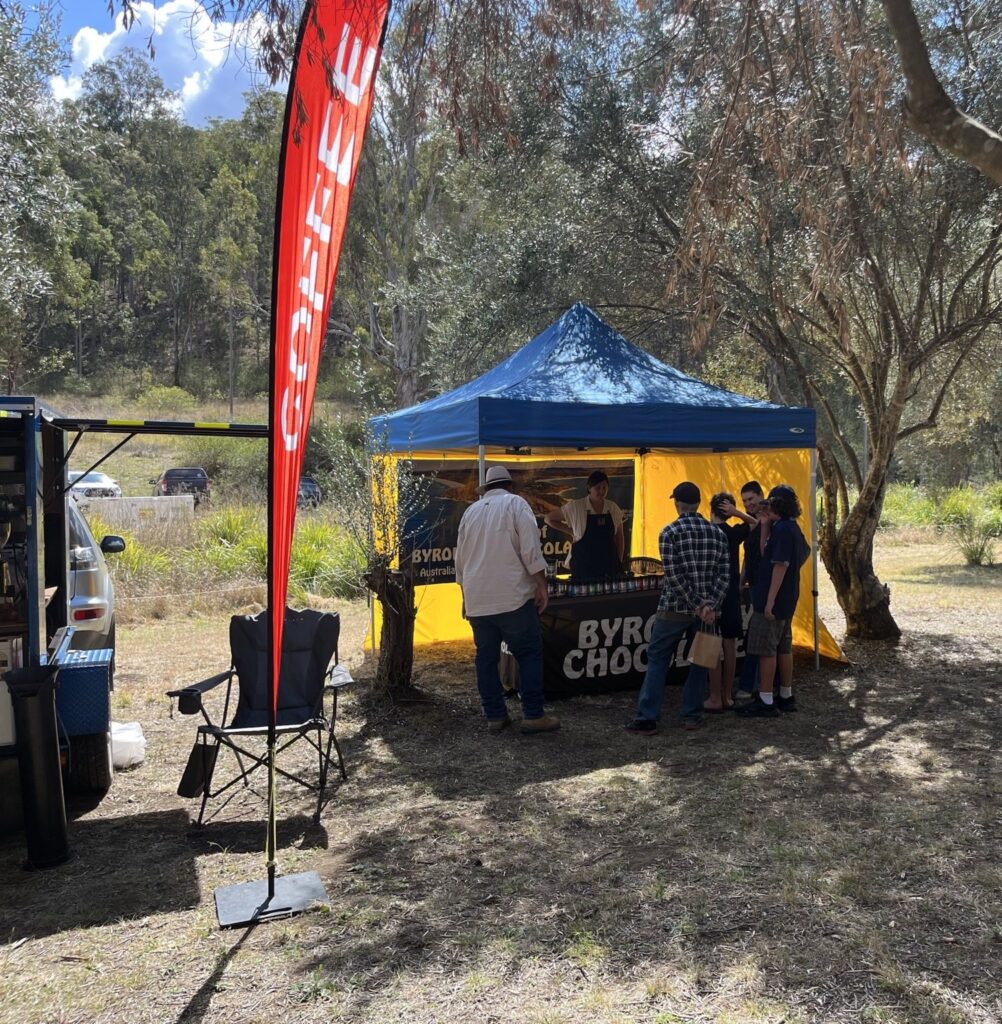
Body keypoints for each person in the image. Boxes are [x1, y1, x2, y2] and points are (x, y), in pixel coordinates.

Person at [455, 465, 561, 734]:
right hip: (512, 595)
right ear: (510, 486)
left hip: (478, 598)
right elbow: (530, 549)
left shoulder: (471, 512)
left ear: (487, 489)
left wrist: (465, 597)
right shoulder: (516, 504)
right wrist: (542, 584)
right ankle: (533, 715)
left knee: (486, 658)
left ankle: (495, 715)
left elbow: (461, 561)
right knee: (528, 654)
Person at [624, 482, 729, 735]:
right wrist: (708, 605)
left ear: (676, 503)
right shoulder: (718, 534)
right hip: (707, 613)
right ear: (699, 503)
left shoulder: (669, 532)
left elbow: (673, 576)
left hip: (673, 607)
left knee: (658, 658)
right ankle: (691, 715)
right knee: (700, 662)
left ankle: (648, 717)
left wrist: (695, 604)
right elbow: (725, 576)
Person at [737, 484, 810, 718]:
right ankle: (785, 695)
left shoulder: (784, 530)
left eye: (771, 503)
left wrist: (769, 602)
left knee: (766, 649)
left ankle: (766, 698)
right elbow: (764, 553)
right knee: (783, 647)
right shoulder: (789, 528)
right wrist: (765, 525)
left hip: (773, 599)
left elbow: (779, 566)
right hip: (787, 598)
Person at [704, 492, 749, 711]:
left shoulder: (705, 531)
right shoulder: (733, 533)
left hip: (709, 593)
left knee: (709, 643)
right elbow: (757, 524)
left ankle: (714, 697)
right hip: (730, 592)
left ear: (710, 509)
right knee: (729, 643)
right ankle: (727, 695)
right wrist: (738, 512)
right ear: (729, 514)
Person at [545, 469, 625, 580]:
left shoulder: (613, 508)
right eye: (598, 488)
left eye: (604, 488)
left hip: (609, 567)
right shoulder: (576, 507)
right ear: (589, 488)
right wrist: (570, 531)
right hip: (583, 567)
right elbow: (549, 519)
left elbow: (620, 538)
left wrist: (618, 563)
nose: (601, 491)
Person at [735, 480, 768, 698]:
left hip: (766, 585)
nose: (748, 504)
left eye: (751, 500)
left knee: (758, 636)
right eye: (745, 501)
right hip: (754, 583)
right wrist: (741, 580)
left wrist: (736, 512)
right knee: (758, 634)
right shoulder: (752, 523)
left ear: (760, 496)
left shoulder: (767, 520)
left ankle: (750, 685)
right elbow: (748, 555)